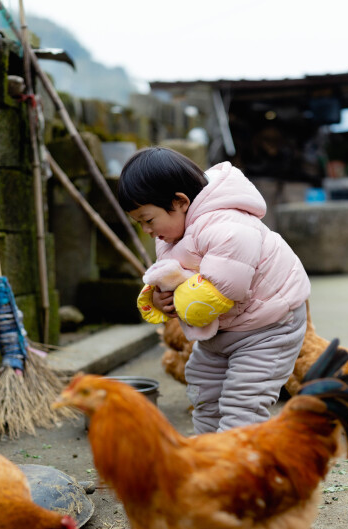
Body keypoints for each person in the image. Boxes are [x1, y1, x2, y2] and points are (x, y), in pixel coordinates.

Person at [119, 147, 310, 434]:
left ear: (180, 201)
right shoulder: (173, 231)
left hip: (269, 327)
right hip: (225, 330)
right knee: (205, 392)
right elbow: (170, 275)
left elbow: (224, 288)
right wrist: (158, 299)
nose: (146, 230)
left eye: (148, 220)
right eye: (140, 223)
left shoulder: (227, 225)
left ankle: (238, 466)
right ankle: (209, 455)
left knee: (242, 403)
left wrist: (180, 300)